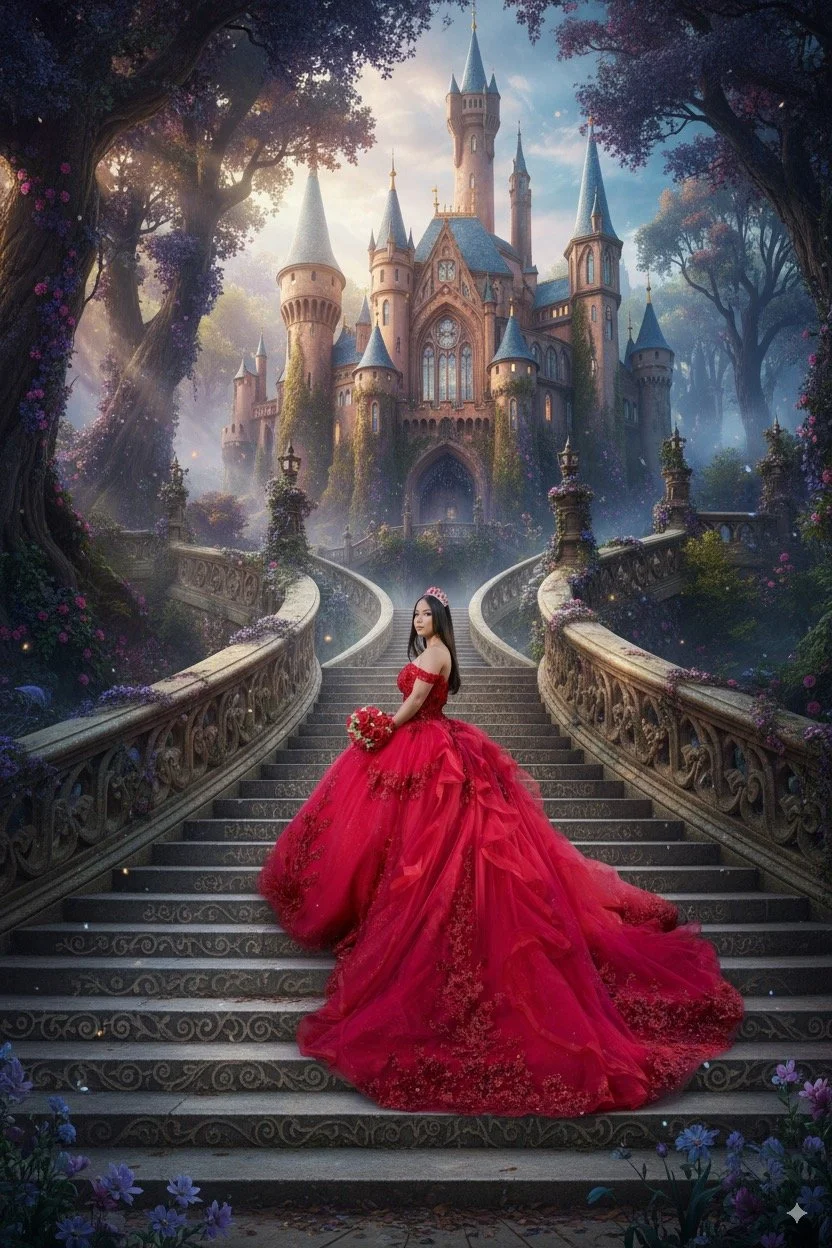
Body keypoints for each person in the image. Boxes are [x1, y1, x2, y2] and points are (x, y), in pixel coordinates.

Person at [259, 587, 743, 1116]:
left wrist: (380, 728)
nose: (420, 620)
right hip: (427, 742)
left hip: (429, 743)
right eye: (417, 614)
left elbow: (418, 703)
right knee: (401, 833)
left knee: (443, 839)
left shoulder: (439, 651)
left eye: (427, 613)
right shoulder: (428, 651)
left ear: (441, 619)